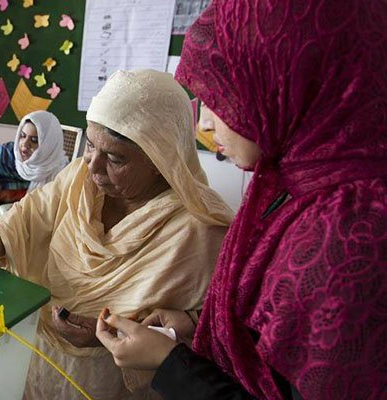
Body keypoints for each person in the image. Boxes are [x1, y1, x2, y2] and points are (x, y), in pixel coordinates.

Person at [96, 1, 387, 399]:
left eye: (223, 94)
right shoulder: (293, 181)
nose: (204, 124)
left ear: (287, 78)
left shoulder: (347, 235)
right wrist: (193, 324)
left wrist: (170, 363)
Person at [0, 69, 234, 399]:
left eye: (115, 158)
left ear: (161, 157)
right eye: (90, 145)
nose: (93, 165)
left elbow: (207, 332)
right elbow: (29, 214)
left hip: (112, 382)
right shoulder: (79, 179)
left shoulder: (201, 231)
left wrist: (104, 335)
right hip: (43, 355)